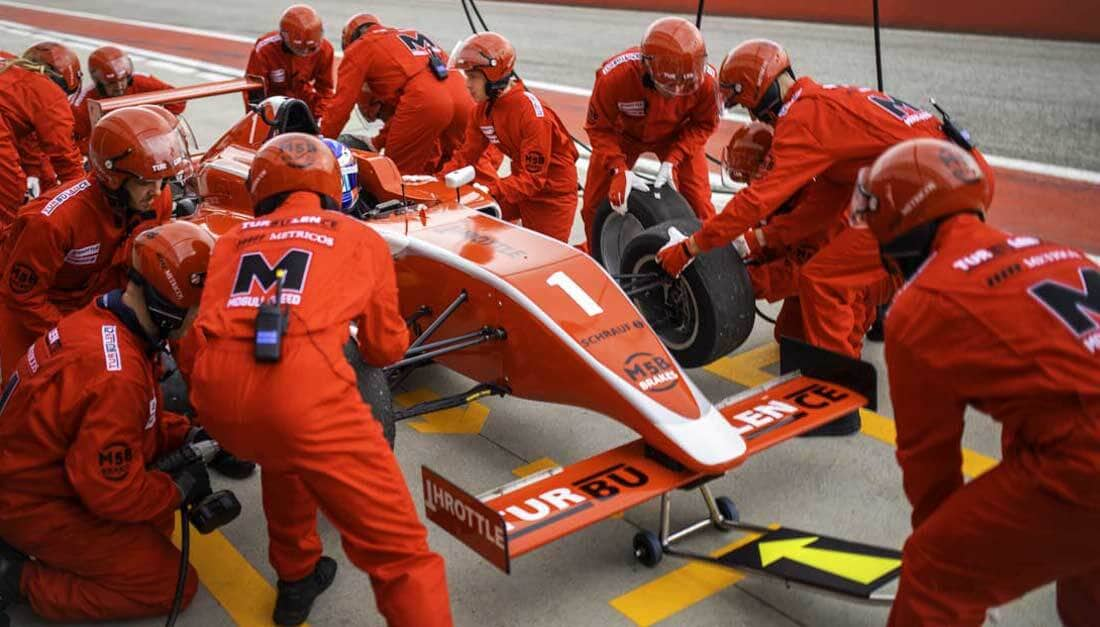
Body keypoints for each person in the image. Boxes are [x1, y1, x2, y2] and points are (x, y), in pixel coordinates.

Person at [189, 133, 453, 626]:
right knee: (403, 558)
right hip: (300, 393)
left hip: (218, 400)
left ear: (261, 189)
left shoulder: (229, 243)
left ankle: (296, 580)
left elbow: (199, 336)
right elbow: (385, 346)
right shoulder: (359, 238)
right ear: (333, 185)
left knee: (281, 457)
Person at [850, 137, 1100, 627]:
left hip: (1086, 458)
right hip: (1074, 438)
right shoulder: (1056, 251)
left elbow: (929, 463)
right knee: (1086, 583)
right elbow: (1042, 391)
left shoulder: (923, 305)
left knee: (933, 573)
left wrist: (952, 545)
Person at [657, 38, 995, 358]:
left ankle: (839, 392)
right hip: (959, 172)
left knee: (823, 280)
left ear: (761, 90)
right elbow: (823, 205)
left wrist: (692, 247)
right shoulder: (825, 103)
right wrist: (753, 240)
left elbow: (758, 200)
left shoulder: (802, 120)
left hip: (935, 186)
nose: (752, 116)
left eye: (746, 105)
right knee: (795, 333)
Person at [0, 221, 217, 622]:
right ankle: (17, 579)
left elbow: (127, 420)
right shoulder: (117, 375)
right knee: (173, 584)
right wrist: (176, 488)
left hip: (30, 474)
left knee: (154, 525)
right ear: (168, 307)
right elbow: (110, 491)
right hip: (32, 503)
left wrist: (182, 434)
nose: (197, 320)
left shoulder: (104, 319)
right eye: (195, 309)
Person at [0, 105, 182, 378]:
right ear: (114, 178)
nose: (156, 193)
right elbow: (22, 297)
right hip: (32, 311)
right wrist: (78, 337)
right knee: (32, 397)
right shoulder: (51, 222)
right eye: (145, 182)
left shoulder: (157, 199)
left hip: (95, 300)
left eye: (164, 181)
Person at [581, 16, 719, 243]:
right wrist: (617, 168)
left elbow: (704, 124)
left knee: (700, 205)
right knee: (593, 208)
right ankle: (599, 257)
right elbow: (598, 128)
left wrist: (676, 157)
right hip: (623, 136)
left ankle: (707, 256)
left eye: (684, 86)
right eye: (669, 85)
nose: (676, 92)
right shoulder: (614, 77)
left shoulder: (706, 83)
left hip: (677, 136)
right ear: (646, 68)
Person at [439, 33, 579, 243]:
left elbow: (533, 180)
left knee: (543, 260)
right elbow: (465, 156)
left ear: (494, 75)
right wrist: (436, 181)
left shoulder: (531, 114)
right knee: (468, 223)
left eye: (473, 77)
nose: (467, 85)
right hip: (519, 186)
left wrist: (491, 189)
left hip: (551, 196)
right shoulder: (482, 111)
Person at [719, 120, 848, 342]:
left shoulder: (814, 203)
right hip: (813, 261)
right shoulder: (779, 193)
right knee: (788, 336)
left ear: (769, 169)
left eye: (751, 178)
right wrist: (745, 258)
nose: (749, 186)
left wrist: (746, 282)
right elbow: (776, 242)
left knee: (828, 348)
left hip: (845, 276)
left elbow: (804, 269)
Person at [320, 14, 472, 175]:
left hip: (426, 101)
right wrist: (378, 141)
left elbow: (340, 107)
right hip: (462, 94)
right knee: (461, 169)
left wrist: (320, 145)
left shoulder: (360, 47)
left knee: (396, 178)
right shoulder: (410, 34)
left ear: (349, 41)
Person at [0, 42, 84, 225]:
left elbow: (29, 145)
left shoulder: (9, 64)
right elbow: (66, 158)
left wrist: (43, 183)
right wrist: (84, 202)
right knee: (11, 204)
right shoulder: (48, 92)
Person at [71, 45, 187, 155]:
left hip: (148, 146)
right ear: (99, 82)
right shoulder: (82, 103)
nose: (119, 86)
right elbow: (70, 140)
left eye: (123, 79)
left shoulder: (141, 81)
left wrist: (157, 125)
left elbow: (177, 99)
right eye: (111, 83)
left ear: (129, 76)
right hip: (110, 156)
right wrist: (100, 145)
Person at [244, 4, 335, 124]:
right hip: (273, 103)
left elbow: (325, 90)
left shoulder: (325, 50)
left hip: (302, 98)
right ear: (284, 38)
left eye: (311, 49)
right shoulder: (264, 50)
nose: (305, 53)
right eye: (299, 49)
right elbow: (254, 93)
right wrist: (261, 121)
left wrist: (322, 118)